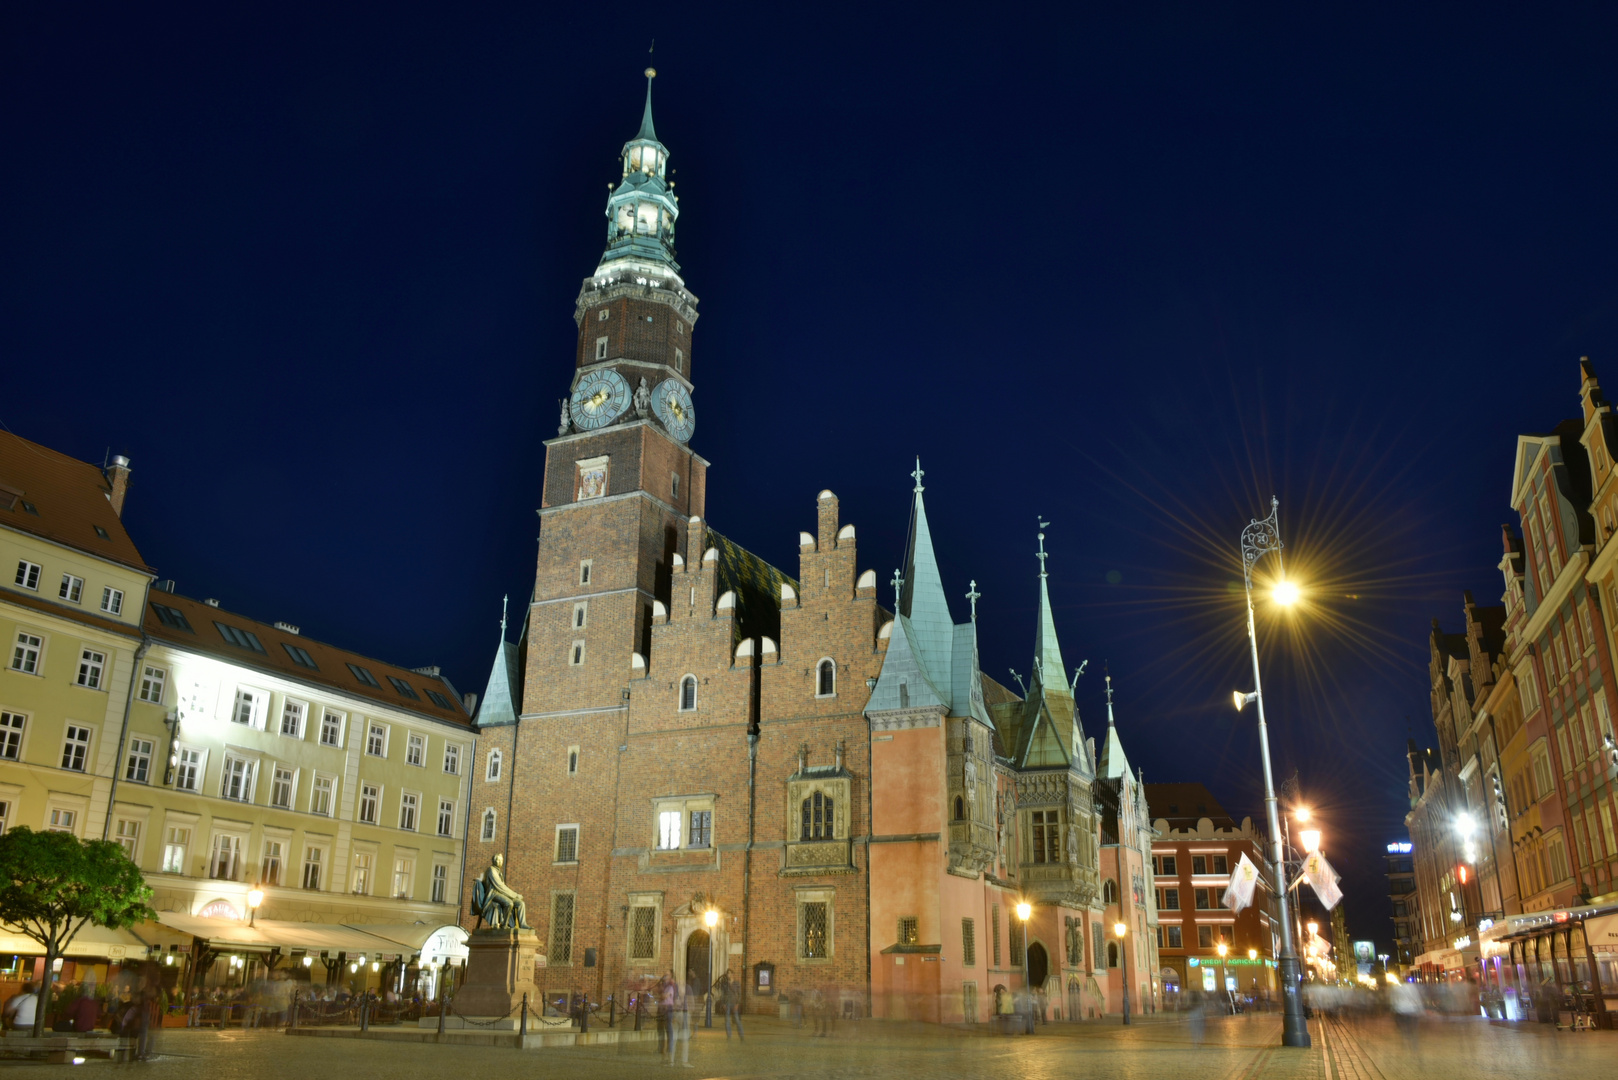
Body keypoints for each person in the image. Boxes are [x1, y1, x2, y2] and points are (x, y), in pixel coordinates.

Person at [667, 974, 692, 1068]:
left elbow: (690, 1002)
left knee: (684, 1039)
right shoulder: (674, 989)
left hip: (684, 1014)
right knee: (674, 1038)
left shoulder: (687, 989)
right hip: (677, 1014)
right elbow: (672, 1003)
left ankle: (682, 1061)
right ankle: (672, 1061)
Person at [717, 972, 743, 1040]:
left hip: (734, 1003)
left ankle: (741, 1035)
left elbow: (740, 995)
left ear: (732, 974)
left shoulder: (737, 984)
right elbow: (722, 995)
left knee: (737, 1020)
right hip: (727, 1003)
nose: (728, 975)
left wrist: (737, 1004)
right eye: (727, 974)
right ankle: (729, 1036)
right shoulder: (725, 984)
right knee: (727, 1021)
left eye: (730, 973)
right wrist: (723, 1004)